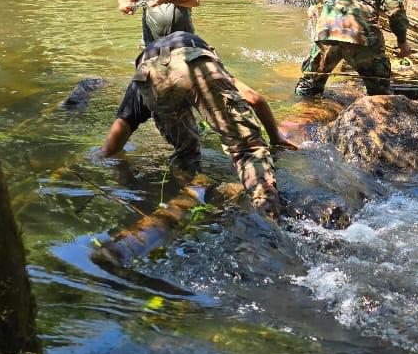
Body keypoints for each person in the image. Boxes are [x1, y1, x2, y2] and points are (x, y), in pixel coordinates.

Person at [111, 0, 297, 151]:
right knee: (135, 111)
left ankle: (274, 137)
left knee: (251, 97)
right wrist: (124, 4)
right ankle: (117, 152)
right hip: (154, 59)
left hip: (189, 54)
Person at [101, 31, 282, 219]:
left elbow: (119, 130)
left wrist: (105, 162)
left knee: (186, 151)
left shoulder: (141, 74)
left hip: (148, 75)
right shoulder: (199, 52)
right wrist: (276, 138)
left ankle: (184, 203)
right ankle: (266, 215)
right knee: (247, 150)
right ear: (214, 54)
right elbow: (254, 98)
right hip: (192, 61)